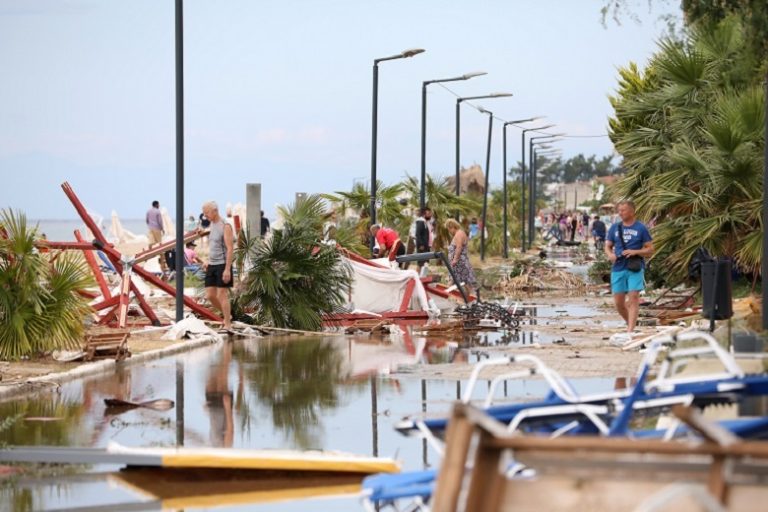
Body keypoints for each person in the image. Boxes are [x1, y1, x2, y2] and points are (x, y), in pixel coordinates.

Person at [605, 200, 653, 338]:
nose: (621, 213)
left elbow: (650, 249)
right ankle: (630, 324)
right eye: (619, 210)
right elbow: (607, 245)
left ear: (632, 211)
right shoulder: (615, 227)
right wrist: (610, 255)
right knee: (619, 303)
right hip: (618, 267)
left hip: (635, 267)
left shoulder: (641, 228)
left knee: (633, 298)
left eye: (624, 210)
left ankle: (630, 331)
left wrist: (636, 252)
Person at [201, 201, 234, 332]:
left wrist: (227, 269)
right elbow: (214, 245)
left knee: (222, 294)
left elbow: (230, 248)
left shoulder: (225, 226)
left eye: (207, 212)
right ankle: (228, 315)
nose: (205, 215)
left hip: (222, 264)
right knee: (209, 295)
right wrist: (207, 261)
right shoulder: (212, 224)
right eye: (204, 213)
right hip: (212, 264)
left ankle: (227, 323)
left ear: (215, 210)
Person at [445, 218, 477, 296]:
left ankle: (445, 295)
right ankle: (470, 298)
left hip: (459, 263)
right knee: (464, 282)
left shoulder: (459, 234)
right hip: (459, 263)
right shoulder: (460, 233)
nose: (449, 231)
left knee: (459, 280)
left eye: (449, 229)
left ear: (452, 227)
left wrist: (455, 259)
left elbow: (459, 247)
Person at [146, 200, 167, 273]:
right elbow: (160, 221)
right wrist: (162, 229)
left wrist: (150, 225)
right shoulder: (158, 212)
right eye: (159, 205)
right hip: (157, 228)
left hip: (150, 228)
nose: (159, 206)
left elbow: (147, 220)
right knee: (159, 242)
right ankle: (161, 255)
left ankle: (150, 253)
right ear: (156, 205)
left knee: (151, 242)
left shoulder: (148, 211)